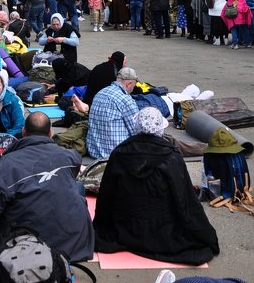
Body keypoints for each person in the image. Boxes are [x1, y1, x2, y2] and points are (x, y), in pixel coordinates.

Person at [93, 107, 219, 265]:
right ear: (160, 128)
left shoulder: (119, 154)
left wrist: (102, 225)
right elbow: (184, 200)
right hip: (163, 231)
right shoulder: (171, 157)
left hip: (125, 227)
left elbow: (106, 196)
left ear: (137, 126)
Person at [0, 111, 94, 262]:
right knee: (75, 187)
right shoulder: (70, 156)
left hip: (25, 244)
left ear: (24, 132)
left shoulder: (6, 164)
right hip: (74, 242)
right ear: (50, 132)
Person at [86, 66, 140, 159]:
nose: (133, 89)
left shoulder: (100, 93)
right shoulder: (126, 100)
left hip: (94, 151)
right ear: (129, 83)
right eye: (134, 86)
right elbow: (137, 130)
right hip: (115, 154)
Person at [38, 13, 79, 95]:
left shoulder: (68, 28)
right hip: (53, 53)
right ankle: (48, 81)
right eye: (53, 24)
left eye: (57, 24)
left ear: (61, 22)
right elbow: (40, 42)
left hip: (67, 54)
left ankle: (58, 84)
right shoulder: (50, 30)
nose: (56, 26)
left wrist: (64, 39)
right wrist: (47, 40)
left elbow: (76, 42)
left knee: (57, 61)